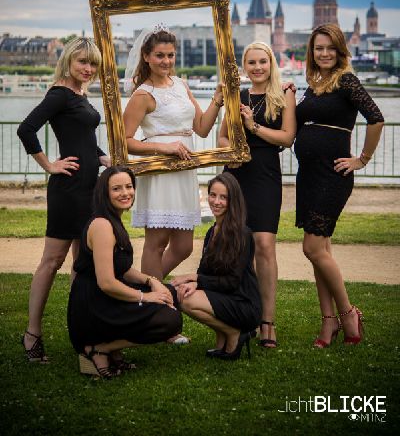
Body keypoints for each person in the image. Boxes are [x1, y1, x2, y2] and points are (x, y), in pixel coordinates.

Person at [17, 36, 110, 362]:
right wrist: (49, 166)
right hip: (68, 190)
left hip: (90, 188)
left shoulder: (79, 94)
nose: (88, 68)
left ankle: (82, 335)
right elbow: (26, 129)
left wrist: (102, 157)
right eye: (82, 62)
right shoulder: (59, 94)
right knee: (52, 261)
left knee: (82, 263)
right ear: (68, 61)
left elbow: (83, 139)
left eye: (93, 64)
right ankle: (32, 334)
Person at [295, 23, 384, 347]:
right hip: (308, 175)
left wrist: (362, 159)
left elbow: (376, 118)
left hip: (333, 175)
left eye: (330, 48)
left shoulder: (346, 81)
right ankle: (328, 322)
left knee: (312, 248)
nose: (324, 53)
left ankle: (348, 314)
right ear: (312, 51)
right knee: (321, 252)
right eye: (319, 48)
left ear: (340, 50)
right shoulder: (312, 85)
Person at [123, 24, 223, 281]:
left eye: (170, 55)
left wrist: (217, 99)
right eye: (159, 55)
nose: (166, 61)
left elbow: (202, 128)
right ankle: (154, 294)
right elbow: (123, 141)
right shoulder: (143, 94)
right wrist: (164, 147)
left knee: (183, 246)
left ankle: (149, 287)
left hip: (185, 170)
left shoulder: (180, 84)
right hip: (160, 171)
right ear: (146, 56)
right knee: (156, 243)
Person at [67, 166, 182, 379]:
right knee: (170, 321)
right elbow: (106, 283)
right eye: (117, 189)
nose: (125, 193)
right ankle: (98, 348)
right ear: (104, 193)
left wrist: (152, 281)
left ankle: (111, 348)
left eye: (129, 187)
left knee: (170, 293)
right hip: (94, 307)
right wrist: (145, 297)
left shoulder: (113, 219)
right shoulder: (102, 226)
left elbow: (123, 268)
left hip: (106, 299)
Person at [218, 42, 296, 348]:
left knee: (264, 244)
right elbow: (222, 137)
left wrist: (253, 126)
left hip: (265, 175)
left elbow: (287, 138)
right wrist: (232, 151)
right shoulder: (236, 96)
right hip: (236, 174)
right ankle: (243, 317)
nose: (258, 67)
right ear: (244, 66)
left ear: (271, 63)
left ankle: (267, 322)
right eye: (251, 62)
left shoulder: (284, 94)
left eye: (263, 61)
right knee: (238, 246)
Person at [171, 172, 261, 360]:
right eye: (213, 195)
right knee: (181, 291)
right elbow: (203, 272)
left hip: (243, 304)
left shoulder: (242, 234)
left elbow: (232, 282)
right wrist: (193, 282)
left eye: (223, 197)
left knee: (186, 300)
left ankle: (234, 333)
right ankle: (223, 337)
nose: (216, 202)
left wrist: (196, 279)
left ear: (233, 201)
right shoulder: (212, 232)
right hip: (224, 297)